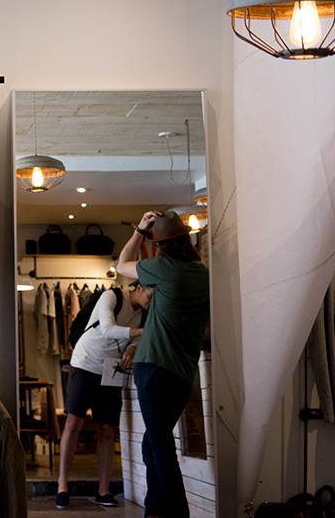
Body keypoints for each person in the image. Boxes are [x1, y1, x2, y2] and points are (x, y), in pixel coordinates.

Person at [116, 211, 210, 518]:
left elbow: (121, 264)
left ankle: (177, 513)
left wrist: (139, 230)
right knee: (152, 443)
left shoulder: (162, 268)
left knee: (161, 448)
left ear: (160, 246)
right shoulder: (204, 274)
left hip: (153, 368)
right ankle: (154, 510)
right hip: (182, 374)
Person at [56, 282, 154, 510]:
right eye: (151, 295)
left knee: (108, 429)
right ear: (139, 287)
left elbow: (135, 341)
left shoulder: (144, 313)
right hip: (85, 362)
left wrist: (132, 347)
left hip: (112, 368)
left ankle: (103, 490)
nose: (151, 301)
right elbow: (108, 329)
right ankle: (62, 486)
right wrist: (141, 332)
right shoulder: (112, 296)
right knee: (74, 422)